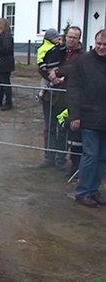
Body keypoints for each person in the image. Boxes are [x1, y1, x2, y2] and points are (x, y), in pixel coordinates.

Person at [66, 29, 106, 208]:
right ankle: (83, 192)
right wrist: (74, 115)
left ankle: (93, 190)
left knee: (102, 157)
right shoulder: (83, 61)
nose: (101, 47)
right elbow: (73, 89)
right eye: (99, 44)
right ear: (94, 42)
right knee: (90, 155)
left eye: (105, 45)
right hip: (88, 116)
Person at [38, 26, 84, 170]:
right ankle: (49, 158)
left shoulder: (82, 55)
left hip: (66, 97)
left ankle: (60, 160)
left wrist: (57, 73)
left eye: (74, 37)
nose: (71, 40)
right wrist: (50, 76)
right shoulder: (57, 50)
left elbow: (74, 69)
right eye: (69, 36)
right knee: (49, 128)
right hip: (50, 95)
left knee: (63, 129)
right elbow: (42, 64)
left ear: (79, 39)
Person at [37, 28, 65, 99]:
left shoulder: (57, 46)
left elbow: (62, 51)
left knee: (55, 77)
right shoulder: (44, 48)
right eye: (56, 38)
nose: (58, 40)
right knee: (45, 79)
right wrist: (42, 64)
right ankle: (41, 92)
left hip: (57, 65)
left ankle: (50, 87)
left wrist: (61, 44)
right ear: (51, 38)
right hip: (48, 66)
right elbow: (40, 57)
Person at [56, 108, 82, 178]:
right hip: (73, 136)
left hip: (82, 136)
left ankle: (77, 170)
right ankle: (74, 169)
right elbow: (61, 117)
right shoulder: (71, 110)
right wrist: (64, 124)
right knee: (74, 155)